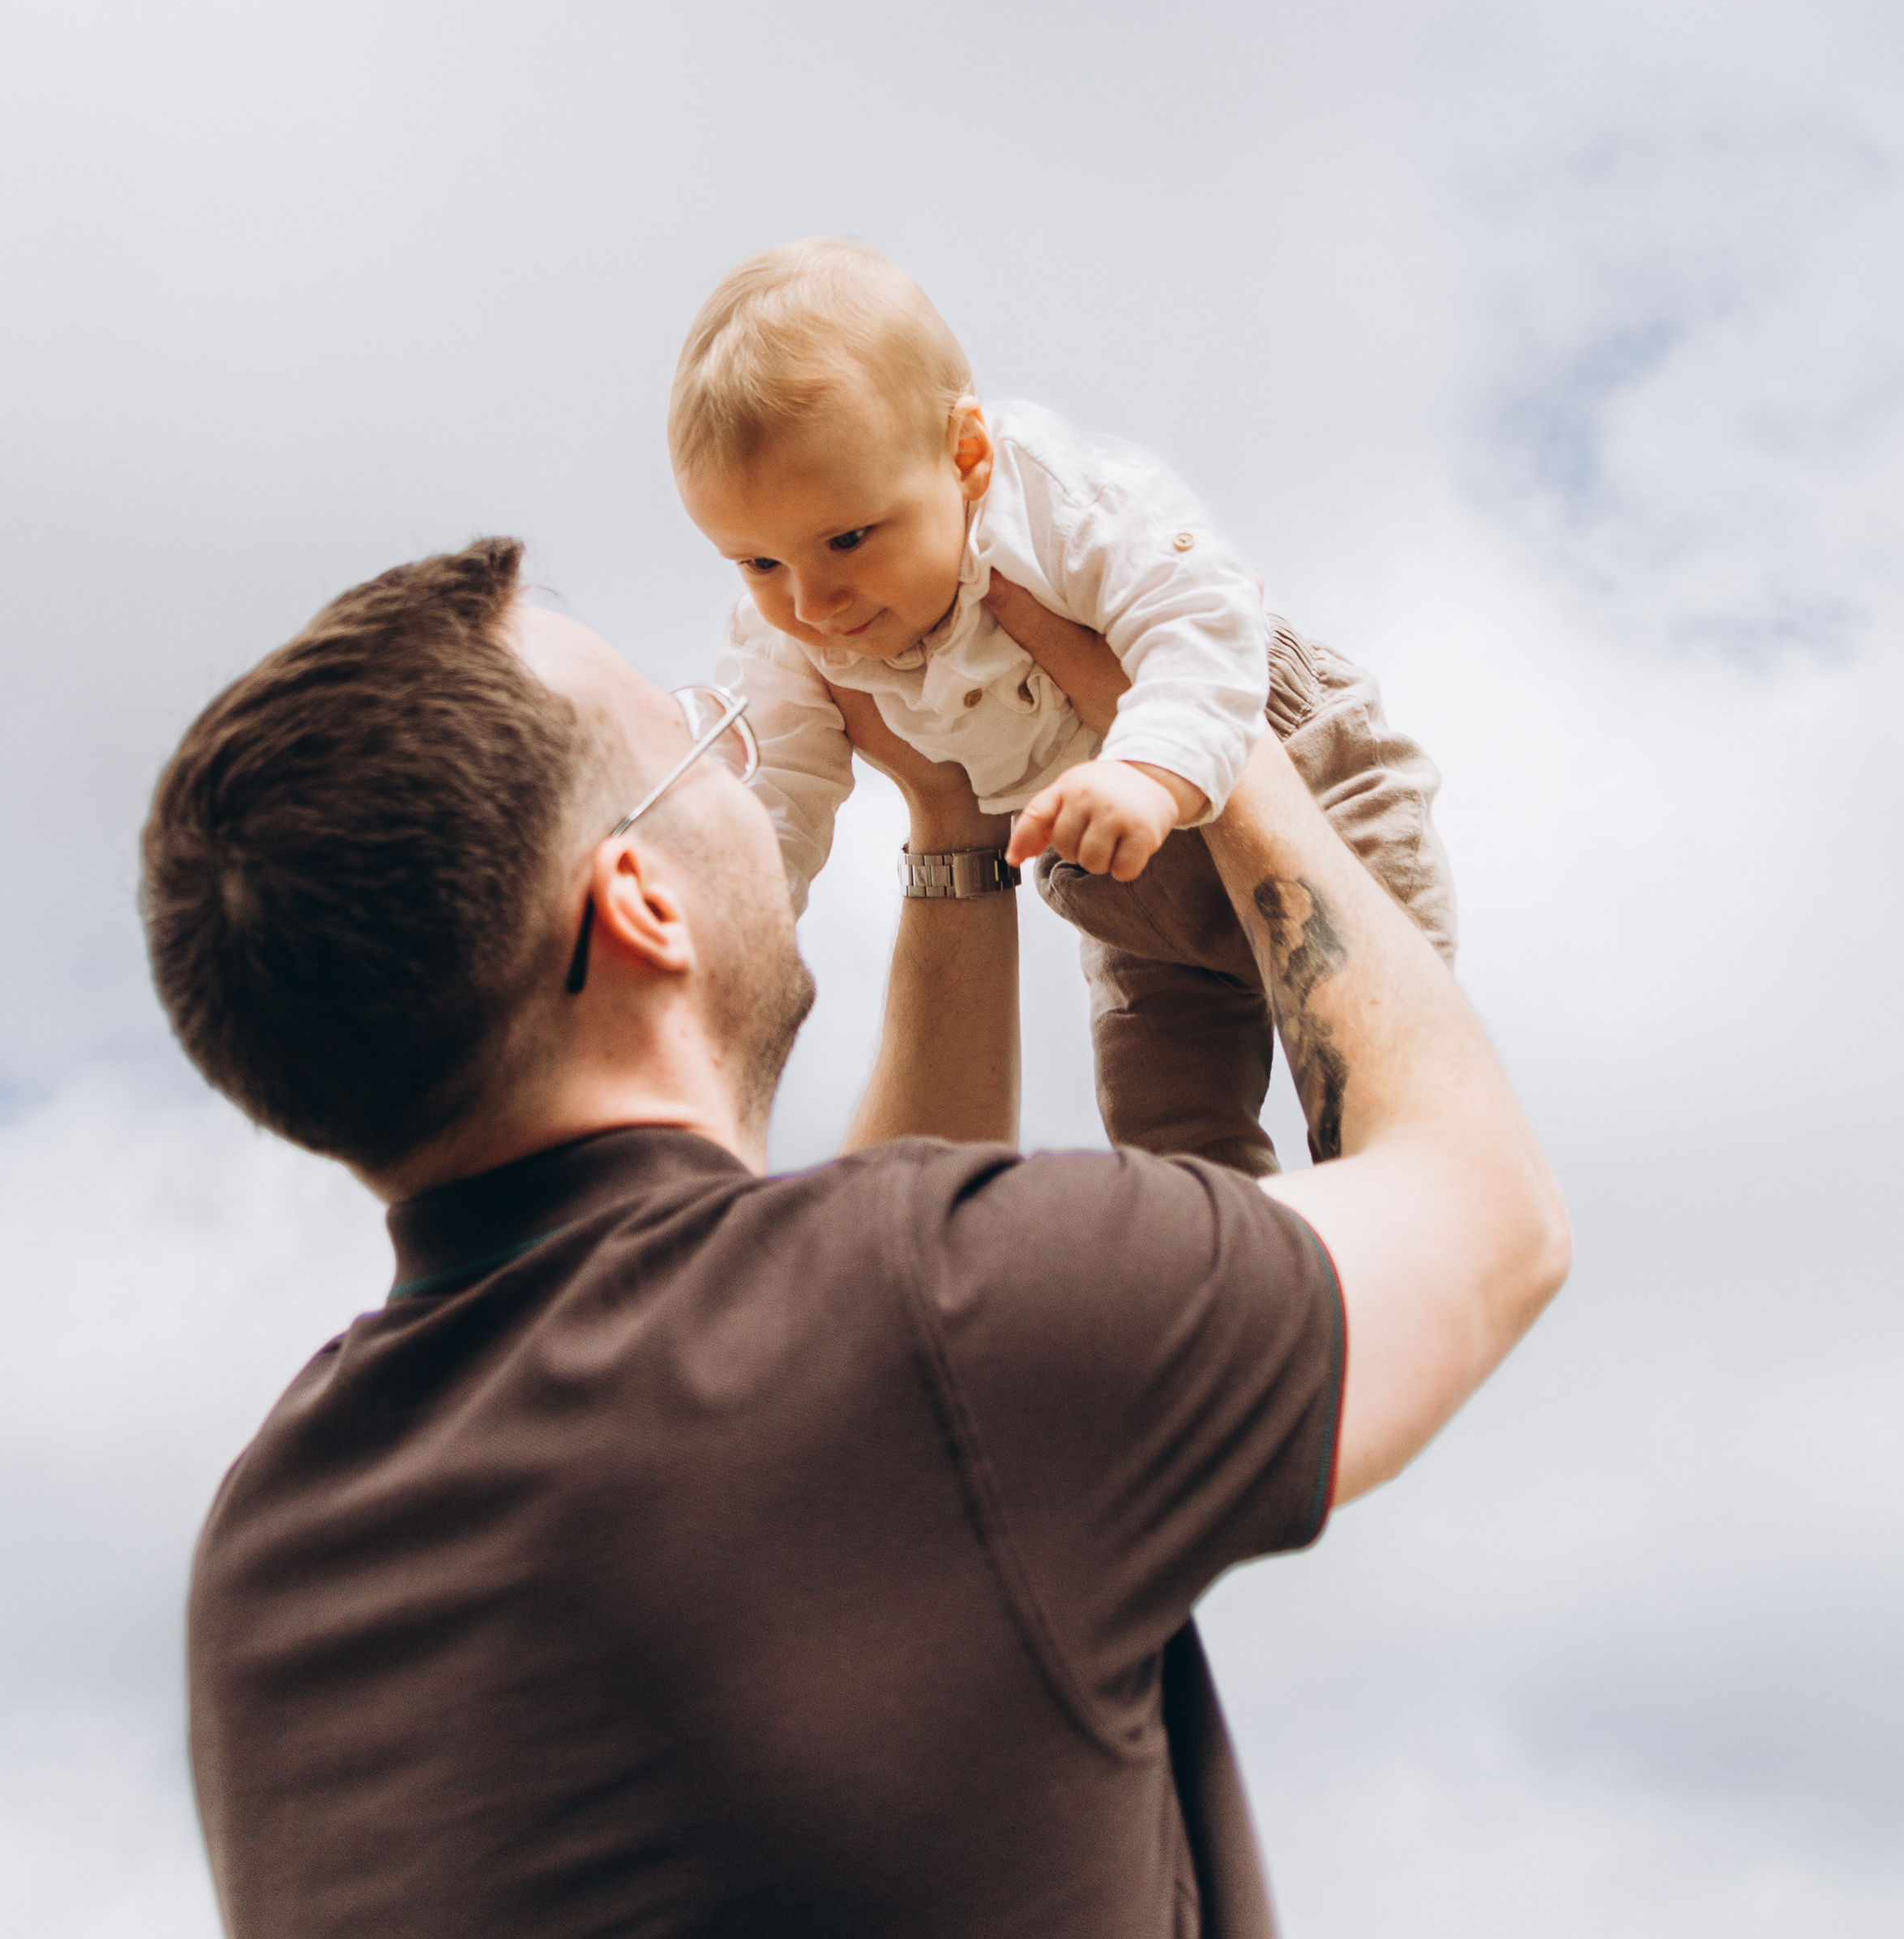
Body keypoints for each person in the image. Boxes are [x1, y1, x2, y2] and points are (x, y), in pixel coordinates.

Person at [141, 535, 1567, 1939]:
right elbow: (1488, 1213)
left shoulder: (271, 1562)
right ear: (638, 905)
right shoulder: (936, 1323)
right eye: (700, 738)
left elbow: (852, 1433)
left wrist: (955, 835)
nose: (745, 749)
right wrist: (1210, 732)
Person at [671, 237, 1456, 1174]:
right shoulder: (788, 636)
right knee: (1162, 1126)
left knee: (1389, 1059)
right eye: (757, 562)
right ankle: (1231, 1263)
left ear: (964, 455)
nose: (812, 603)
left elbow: (1201, 618)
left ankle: (1387, 1191)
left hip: (1294, 768)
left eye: (846, 538)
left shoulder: (1056, 501)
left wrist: (1147, 771)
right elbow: (775, 791)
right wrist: (724, 934)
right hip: (1122, 882)